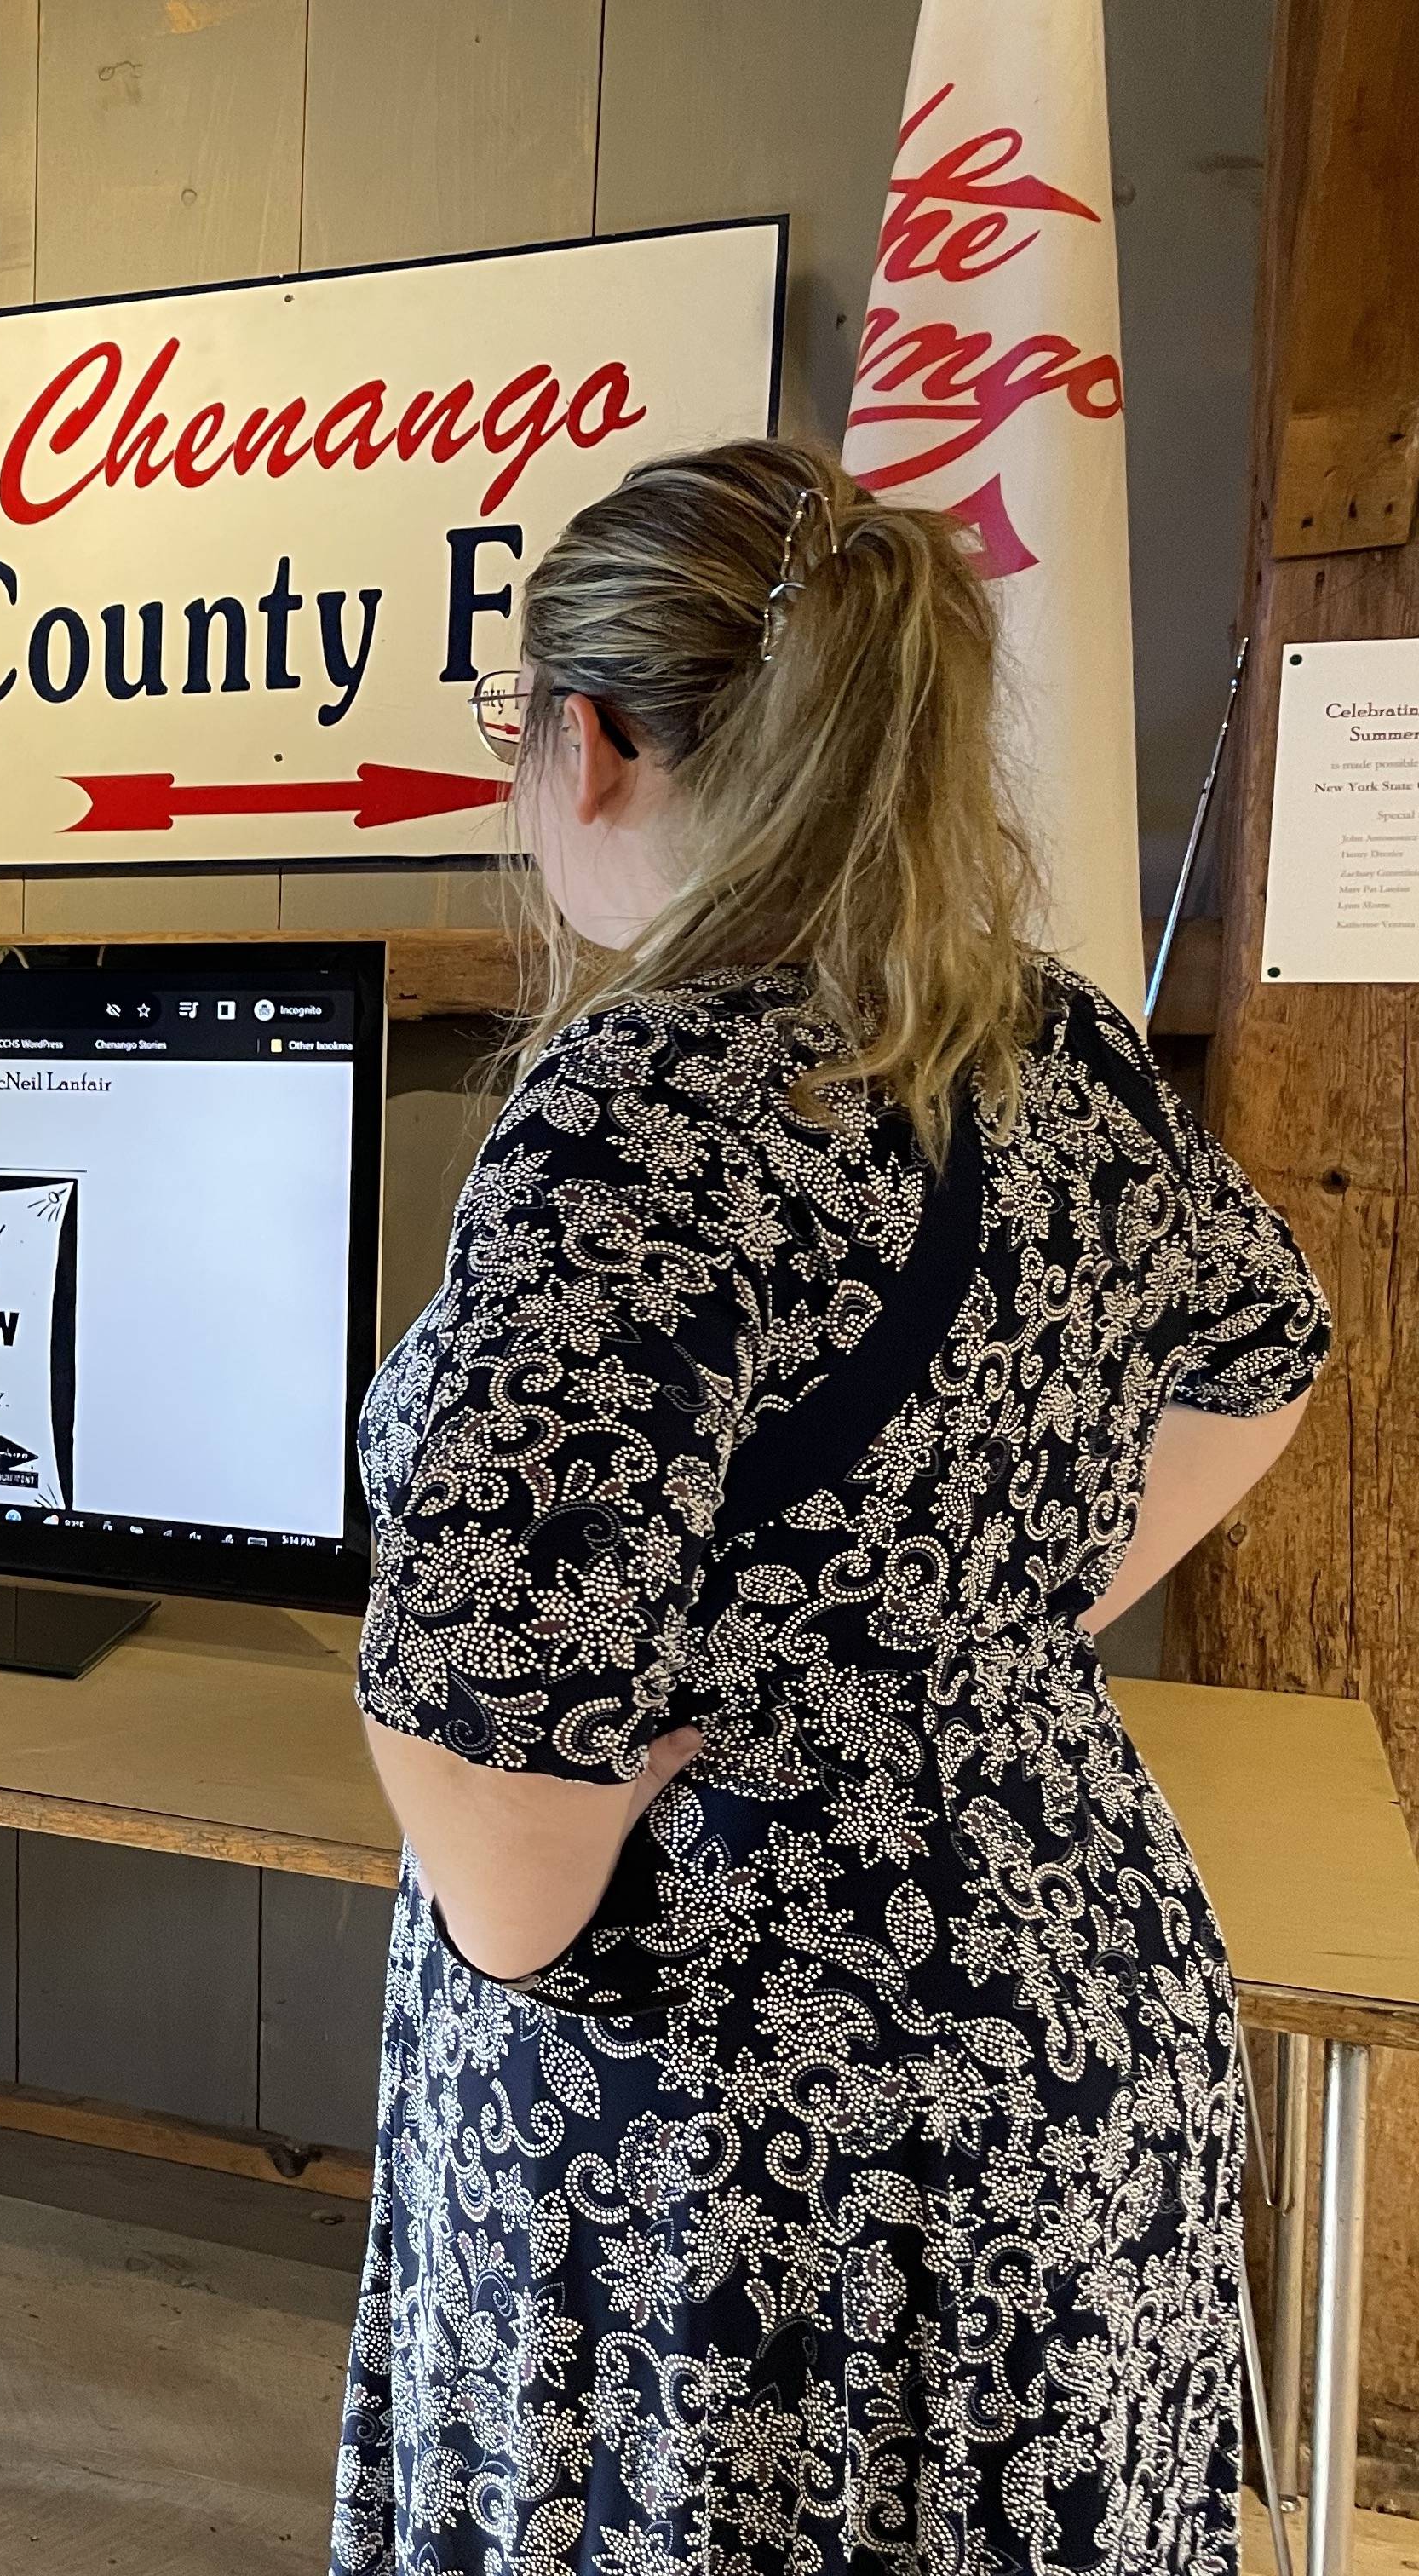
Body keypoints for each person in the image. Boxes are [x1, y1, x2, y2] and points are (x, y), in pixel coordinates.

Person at [337, 438, 1327, 2575]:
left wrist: (572, 1893)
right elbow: (1265, 1361)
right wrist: (975, 1634)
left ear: (586, 748)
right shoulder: (1052, 1041)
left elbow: (482, 1759)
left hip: (739, 2121)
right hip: (1083, 2041)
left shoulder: (638, 1109)